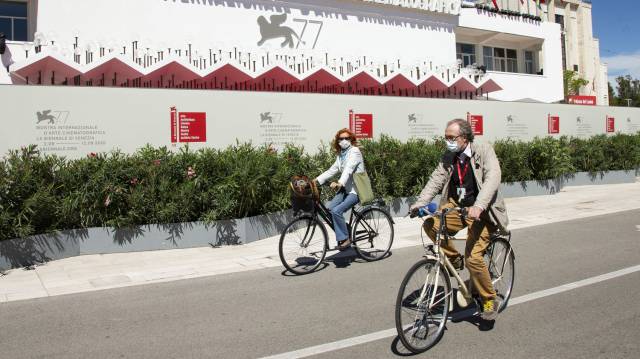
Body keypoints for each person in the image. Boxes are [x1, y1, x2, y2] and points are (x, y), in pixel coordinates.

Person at [410, 118, 509, 321]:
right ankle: (454, 260)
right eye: (445, 137)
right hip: (456, 206)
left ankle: (489, 298)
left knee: (474, 258)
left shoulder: (483, 150)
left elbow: (493, 178)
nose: (448, 141)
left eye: (451, 137)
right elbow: (436, 179)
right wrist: (420, 203)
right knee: (431, 224)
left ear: (464, 138)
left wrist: (479, 206)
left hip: (482, 210)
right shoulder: (449, 155)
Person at [315, 128, 365, 250]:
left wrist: (339, 183)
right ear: (338, 141)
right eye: (341, 138)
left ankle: (345, 239)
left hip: (356, 190)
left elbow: (348, 168)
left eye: (346, 138)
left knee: (337, 211)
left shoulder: (355, 151)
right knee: (330, 209)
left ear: (351, 140)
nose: (343, 140)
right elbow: (332, 170)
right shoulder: (341, 155)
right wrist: (316, 180)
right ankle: (346, 230)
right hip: (345, 189)